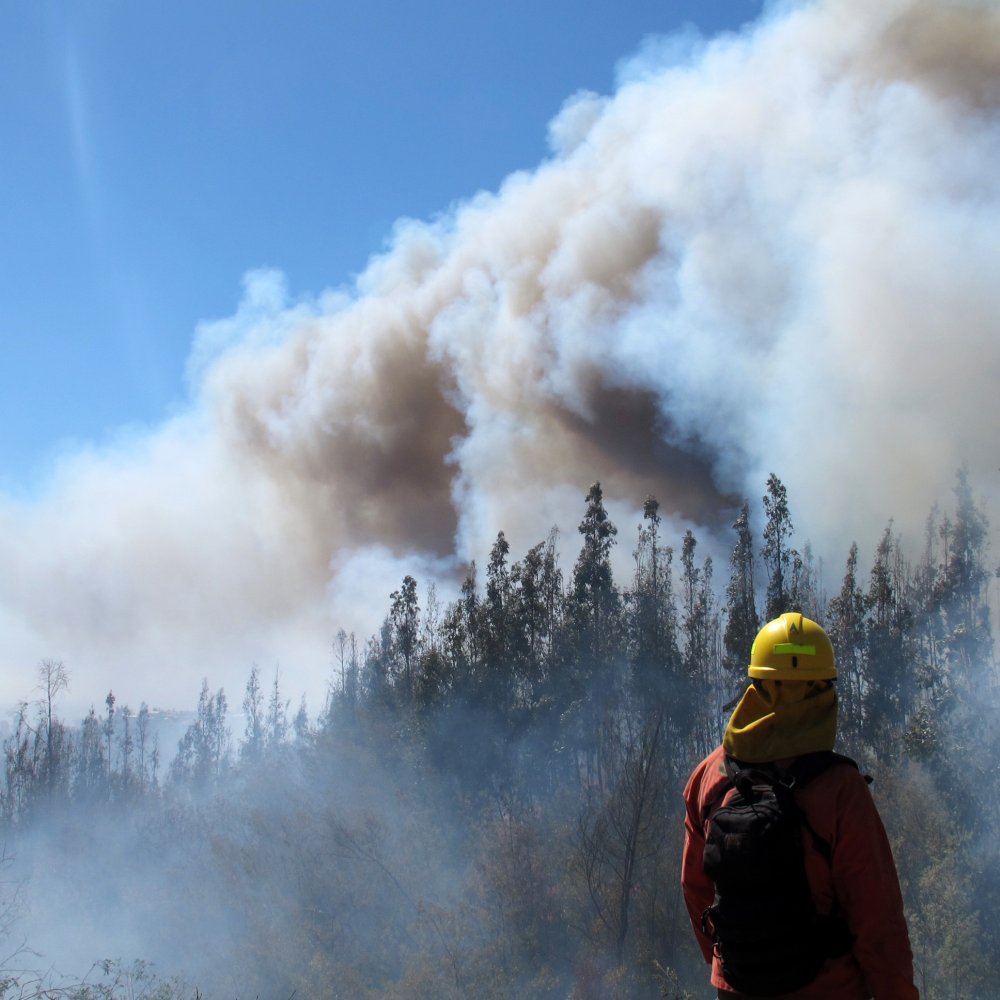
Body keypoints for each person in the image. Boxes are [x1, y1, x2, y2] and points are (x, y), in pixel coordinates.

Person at [681, 612, 919, 999]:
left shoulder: (710, 776)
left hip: (735, 988)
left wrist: (729, 964)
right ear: (822, 691)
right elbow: (877, 919)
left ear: (756, 686)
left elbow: (695, 888)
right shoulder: (842, 789)